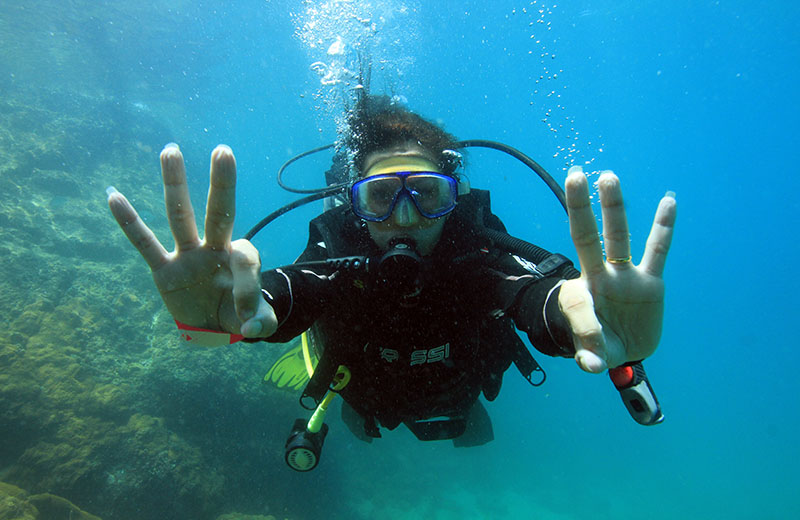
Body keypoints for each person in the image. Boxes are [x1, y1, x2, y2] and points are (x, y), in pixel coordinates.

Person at [107, 95, 676, 449]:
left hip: (460, 389)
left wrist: (577, 315)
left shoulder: (474, 249)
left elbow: (531, 293)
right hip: (363, 395)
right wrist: (226, 316)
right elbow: (295, 288)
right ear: (353, 203)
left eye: (427, 194)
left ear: (455, 197)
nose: (404, 217)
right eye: (380, 196)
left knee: (465, 414)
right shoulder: (339, 245)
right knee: (354, 408)